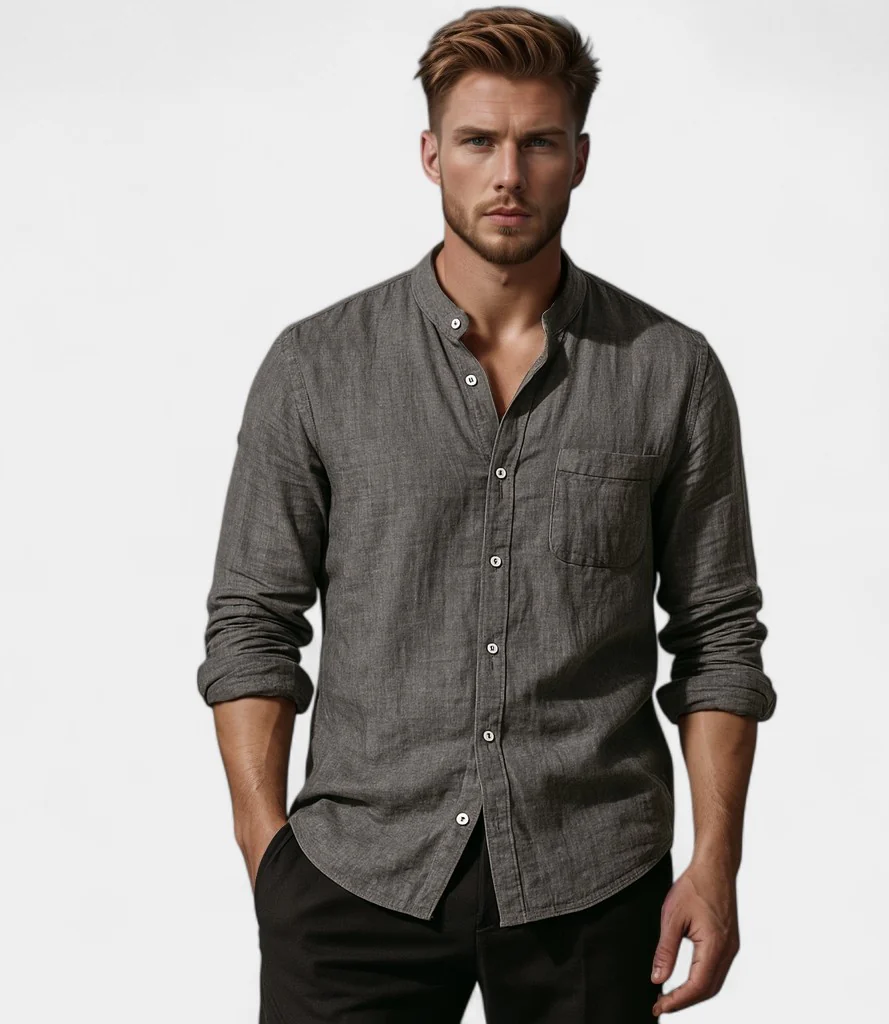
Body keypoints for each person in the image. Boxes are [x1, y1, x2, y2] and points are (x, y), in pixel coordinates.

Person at [196, 6, 777, 1021]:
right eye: (477, 142)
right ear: (431, 154)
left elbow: (719, 633)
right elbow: (252, 620)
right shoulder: (316, 366)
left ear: (579, 158)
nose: (508, 174)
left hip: (594, 880)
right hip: (356, 872)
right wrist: (266, 851)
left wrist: (715, 863)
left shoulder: (669, 371)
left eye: (538, 143)